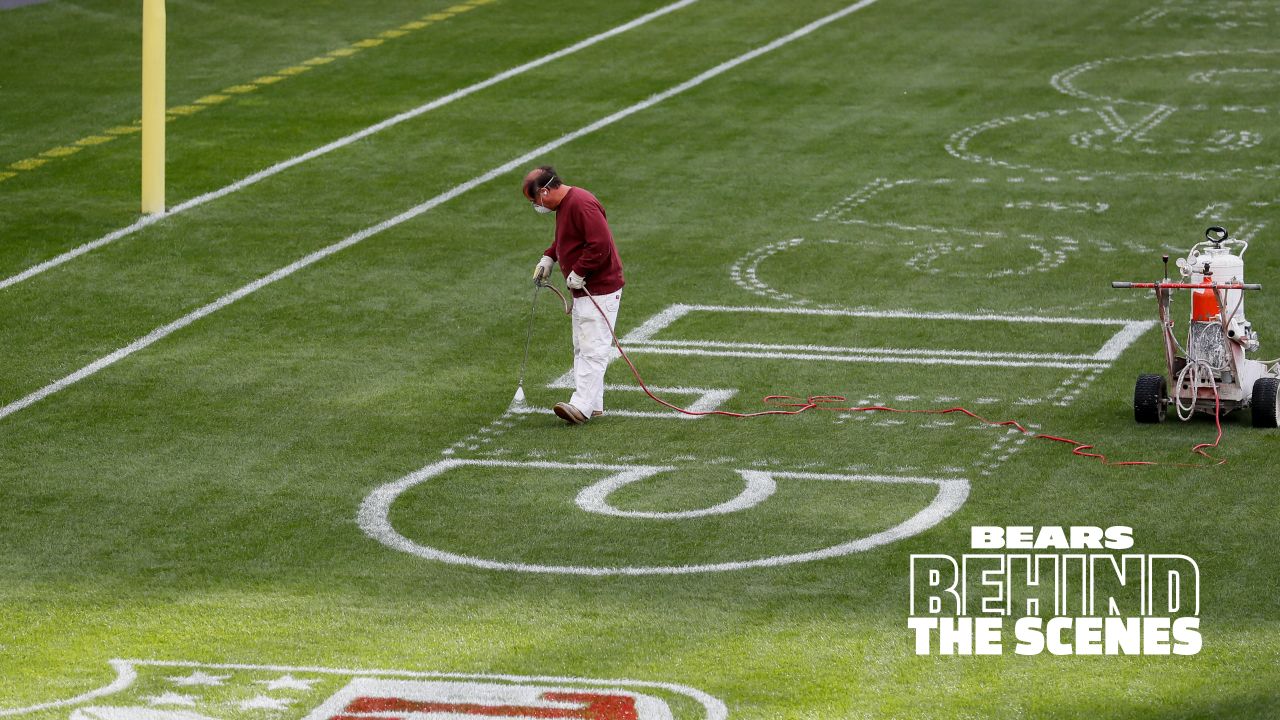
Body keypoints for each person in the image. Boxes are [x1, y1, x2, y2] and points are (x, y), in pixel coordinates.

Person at [523, 165, 624, 425]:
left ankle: (581, 406)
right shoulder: (566, 206)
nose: (536, 206)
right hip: (584, 290)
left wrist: (579, 271)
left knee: (592, 349)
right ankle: (594, 404)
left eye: (535, 200)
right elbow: (566, 238)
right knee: (582, 345)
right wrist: (549, 257)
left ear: (545, 191)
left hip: (599, 289)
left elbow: (599, 244)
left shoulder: (581, 204)